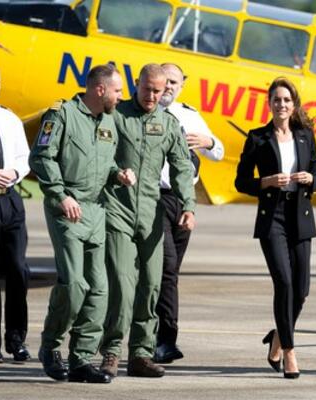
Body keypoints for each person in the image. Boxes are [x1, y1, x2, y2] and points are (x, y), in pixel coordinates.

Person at [29, 64, 136, 383]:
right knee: (75, 284)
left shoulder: (108, 120)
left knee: (99, 289)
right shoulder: (61, 115)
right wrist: (61, 195)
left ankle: (81, 359)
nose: (121, 96)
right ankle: (51, 346)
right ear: (100, 90)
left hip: (96, 212)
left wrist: (119, 175)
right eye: (117, 90)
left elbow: (106, 161)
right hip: (67, 209)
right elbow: (42, 157)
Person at [99, 64, 196, 378]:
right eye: (147, 89)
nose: (152, 96)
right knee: (123, 284)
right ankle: (112, 351)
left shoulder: (168, 124)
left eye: (158, 90)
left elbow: (182, 166)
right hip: (118, 210)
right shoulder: (116, 115)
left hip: (151, 214)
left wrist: (188, 205)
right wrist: (115, 173)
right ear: (136, 84)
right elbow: (98, 154)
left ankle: (141, 354)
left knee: (152, 285)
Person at [235, 77, 316, 379]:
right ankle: (289, 351)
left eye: (286, 100)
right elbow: (241, 181)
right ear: (269, 103)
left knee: (301, 289)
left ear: (293, 104)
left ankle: (277, 336)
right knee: (284, 283)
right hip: (273, 218)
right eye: (276, 100)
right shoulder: (258, 138)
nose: (281, 105)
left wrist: (311, 180)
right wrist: (267, 182)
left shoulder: (305, 136)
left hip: (300, 216)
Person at [153, 63, 224, 364]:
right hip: (153, 199)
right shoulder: (145, 112)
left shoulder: (190, 115)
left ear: (182, 85)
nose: (169, 87)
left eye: (174, 82)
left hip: (183, 202)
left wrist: (208, 142)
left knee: (169, 272)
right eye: (165, 81)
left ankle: (155, 335)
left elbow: (218, 152)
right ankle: (165, 340)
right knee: (166, 268)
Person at [0, 61, 31, 364]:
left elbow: (25, 157)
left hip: (11, 200)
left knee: (18, 269)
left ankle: (16, 339)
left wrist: (14, 172)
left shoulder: (9, 118)